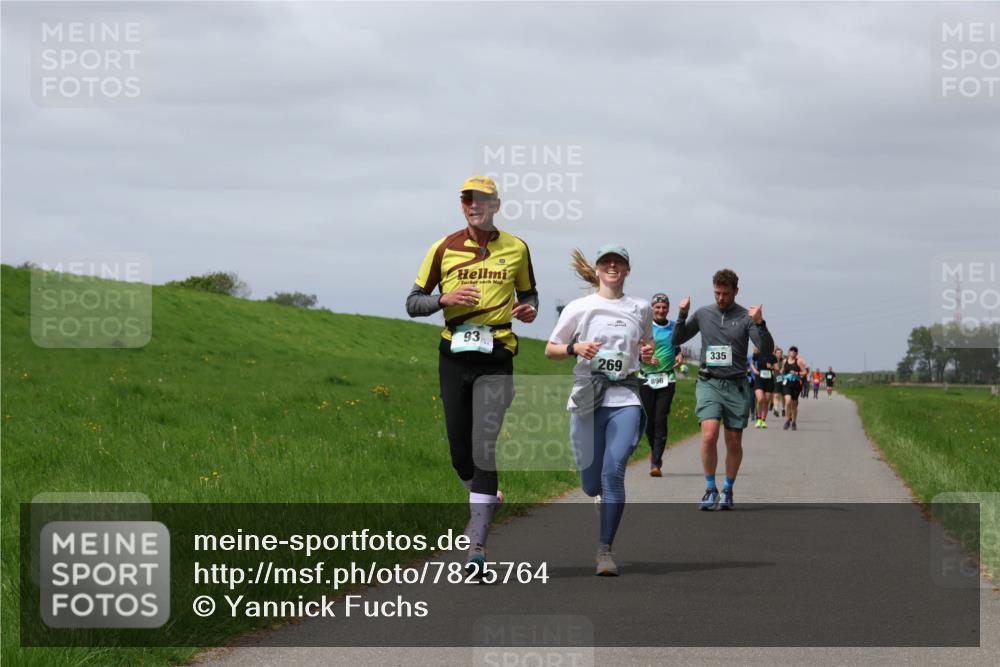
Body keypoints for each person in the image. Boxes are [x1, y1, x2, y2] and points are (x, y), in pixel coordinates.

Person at [406, 175, 538, 575]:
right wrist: (443, 299)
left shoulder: (516, 248)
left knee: (484, 445)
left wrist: (528, 309)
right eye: (467, 200)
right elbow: (412, 303)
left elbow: (529, 295)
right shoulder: (442, 248)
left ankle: (477, 547)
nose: (473, 206)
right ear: (461, 206)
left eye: (481, 200)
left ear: (496, 204)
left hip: (497, 355)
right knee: (460, 453)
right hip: (454, 356)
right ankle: (484, 497)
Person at [545, 245, 654, 575]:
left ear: (627, 270)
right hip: (588, 396)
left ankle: (605, 550)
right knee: (592, 483)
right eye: (606, 262)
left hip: (626, 398)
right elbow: (551, 350)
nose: (612, 266)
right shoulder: (580, 308)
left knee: (613, 471)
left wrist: (647, 353)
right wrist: (575, 347)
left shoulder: (641, 307)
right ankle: (598, 497)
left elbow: (645, 345)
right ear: (596, 270)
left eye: (618, 262)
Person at [671, 269, 774, 511]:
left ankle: (727, 488)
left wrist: (760, 322)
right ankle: (710, 488)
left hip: (736, 384)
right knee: (708, 434)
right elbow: (678, 338)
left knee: (733, 441)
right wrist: (682, 314)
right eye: (717, 292)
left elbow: (766, 349)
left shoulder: (746, 317)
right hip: (709, 382)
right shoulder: (704, 314)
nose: (721, 298)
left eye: (726, 293)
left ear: (736, 292)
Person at [638, 293, 682, 477]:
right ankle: (654, 450)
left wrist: (679, 355)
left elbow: (677, 347)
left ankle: (655, 462)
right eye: (657, 307)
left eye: (664, 307)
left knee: (660, 419)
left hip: (667, 378)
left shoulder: (674, 328)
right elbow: (635, 349)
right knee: (648, 421)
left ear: (668, 309)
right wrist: (643, 356)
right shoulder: (644, 327)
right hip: (646, 378)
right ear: (652, 309)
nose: (661, 310)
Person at [781, 347, 807, 430]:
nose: (793, 352)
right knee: (787, 401)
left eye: (795, 351)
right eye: (791, 350)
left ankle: (794, 422)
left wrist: (796, 372)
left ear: (796, 353)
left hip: (796, 385)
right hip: (786, 384)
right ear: (788, 352)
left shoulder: (798, 361)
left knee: (794, 405)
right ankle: (787, 420)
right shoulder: (785, 361)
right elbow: (782, 369)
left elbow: (805, 372)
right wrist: (781, 372)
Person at [752, 345, 777, 428]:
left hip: (769, 381)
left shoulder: (773, 357)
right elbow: (751, 363)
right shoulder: (757, 354)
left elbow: (777, 368)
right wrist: (755, 370)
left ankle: (763, 421)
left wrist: (772, 367)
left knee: (766, 401)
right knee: (760, 399)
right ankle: (758, 418)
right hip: (759, 379)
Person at [771, 346, 785, 418]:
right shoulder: (772, 360)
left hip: (784, 380)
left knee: (783, 396)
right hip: (775, 380)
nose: (779, 354)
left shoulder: (784, 361)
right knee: (776, 395)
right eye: (778, 353)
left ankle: (783, 409)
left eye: (780, 353)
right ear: (775, 354)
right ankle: (776, 410)